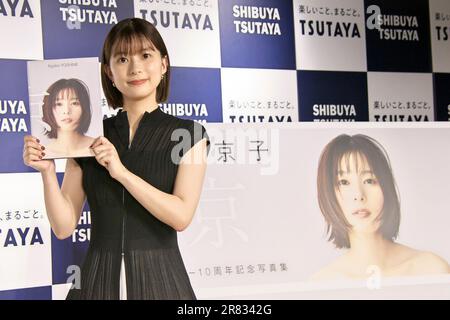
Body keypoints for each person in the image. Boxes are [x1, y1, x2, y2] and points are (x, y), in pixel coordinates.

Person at [23, 18, 210, 299]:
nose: (135, 68)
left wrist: (121, 173)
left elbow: (181, 216)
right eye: (122, 59)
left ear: (163, 64)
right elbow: (63, 227)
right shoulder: (88, 136)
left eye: (145, 56)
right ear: (109, 72)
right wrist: (47, 172)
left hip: (161, 280)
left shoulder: (189, 134)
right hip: (96, 281)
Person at [311, 134, 449, 281]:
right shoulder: (321, 284)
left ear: (386, 187)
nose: (359, 195)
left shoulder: (432, 270)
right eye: (343, 182)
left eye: (369, 180)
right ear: (328, 194)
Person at [41, 78, 95, 158]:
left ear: (84, 107)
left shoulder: (97, 148)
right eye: (59, 104)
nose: (66, 111)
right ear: (48, 109)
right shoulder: (44, 153)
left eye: (74, 103)